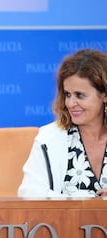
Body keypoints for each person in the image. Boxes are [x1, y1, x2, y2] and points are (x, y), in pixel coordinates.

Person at [18, 48, 107, 198]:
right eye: (67, 94)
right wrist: (81, 201)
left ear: (104, 95)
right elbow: (29, 194)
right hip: (64, 222)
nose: (71, 103)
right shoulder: (48, 138)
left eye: (80, 95)